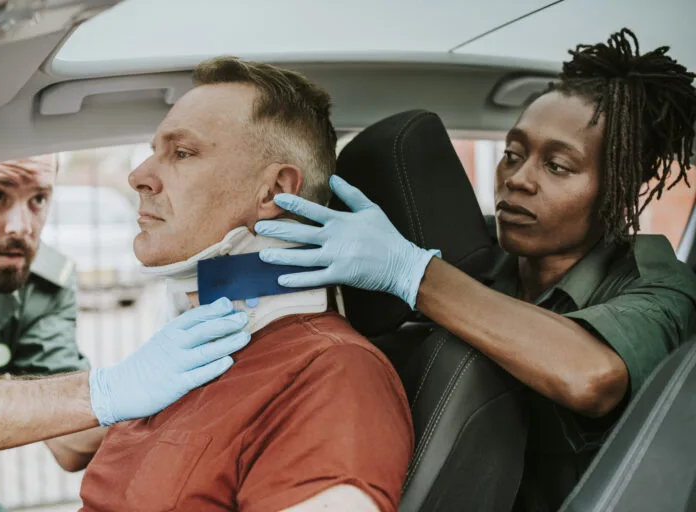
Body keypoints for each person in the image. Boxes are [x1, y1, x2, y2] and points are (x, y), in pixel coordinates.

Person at [256, 28, 696, 510]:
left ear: (617, 188)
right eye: (512, 154)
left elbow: (592, 377)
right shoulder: (473, 251)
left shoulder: (661, 288)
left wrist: (412, 272)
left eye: (557, 166)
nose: (517, 179)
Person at [78, 57, 413, 512]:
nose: (138, 176)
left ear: (275, 191)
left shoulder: (333, 373)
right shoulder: (182, 352)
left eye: (181, 153)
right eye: (152, 150)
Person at [0, 155, 250, 511]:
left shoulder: (37, 286)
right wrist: (105, 390)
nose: (22, 226)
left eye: (38, 199)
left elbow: (72, 443)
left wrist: (193, 399)